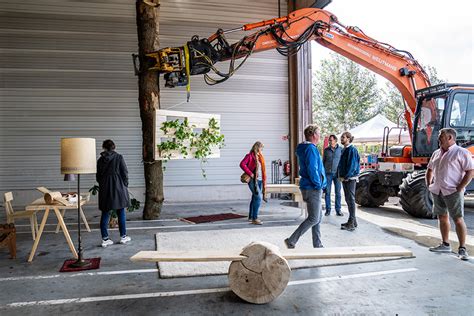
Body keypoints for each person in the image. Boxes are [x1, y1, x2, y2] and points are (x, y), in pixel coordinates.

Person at [425, 128, 473, 261]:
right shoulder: (436, 153)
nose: (438, 138)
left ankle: (462, 248)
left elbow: (470, 171)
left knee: (458, 219)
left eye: (441, 136)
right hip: (438, 190)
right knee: (442, 217)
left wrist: (460, 187)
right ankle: (445, 244)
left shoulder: (461, 152)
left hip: (453, 191)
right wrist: (429, 184)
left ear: (450, 138)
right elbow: (429, 170)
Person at [284, 125, 326, 248]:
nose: (320, 136)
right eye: (318, 133)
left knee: (317, 216)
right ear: (313, 135)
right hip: (312, 187)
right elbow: (312, 168)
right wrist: (318, 184)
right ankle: (291, 240)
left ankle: (317, 244)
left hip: (308, 186)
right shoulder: (311, 149)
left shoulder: (304, 148)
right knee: (313, 218)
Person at [96, 139, 131, 247]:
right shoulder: (119, 157)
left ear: (104, 147)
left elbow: (98, 176)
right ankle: (123, 237)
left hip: (105, 188)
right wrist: (125, 184)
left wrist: (103, 183)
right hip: (118, 187)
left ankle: (105, 239)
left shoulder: (100, 160)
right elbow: (124, 172)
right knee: (121, 212)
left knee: (105, 213)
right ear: (114, 147)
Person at [337, 131, 360, 231]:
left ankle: (351, 223)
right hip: (345, 178)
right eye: (341, 137)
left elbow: (352, 165)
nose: (341, 139)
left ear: (349, 139)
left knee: (350, 199)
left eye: (343, 137)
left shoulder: (352, 150)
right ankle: (353, 221)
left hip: (350, 178)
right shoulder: (345, 149)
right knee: (348, 199)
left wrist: (346, 176)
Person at [240, 141, 267, 225]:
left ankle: (251, 216)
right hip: (252, 180)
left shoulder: (259, 157)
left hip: (258, 180)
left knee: (254, 198)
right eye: (261, 148)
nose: (262, 150)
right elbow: (242, 164)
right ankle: (255, 218)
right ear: (257, 147)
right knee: (258, 197)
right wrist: (250, 173)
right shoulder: (250, 156)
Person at [323, 134, 343, 216]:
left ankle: (338, 210)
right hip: (328, 174)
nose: (330, 142)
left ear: (335, 140)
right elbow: (323, 162)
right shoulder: (326, 150)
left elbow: (342, 162)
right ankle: (328, 210)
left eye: (331, 140)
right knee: (327, 192)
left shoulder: (341, 150)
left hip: (337, 174)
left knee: (338, 193)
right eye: (329, 140)